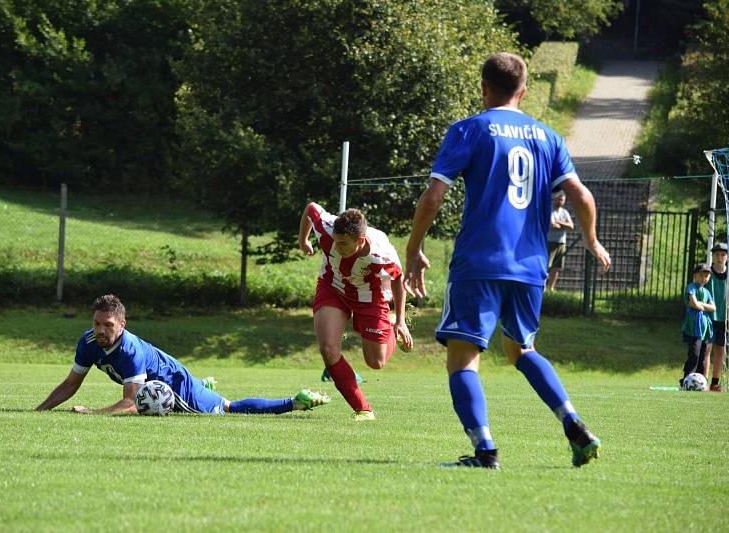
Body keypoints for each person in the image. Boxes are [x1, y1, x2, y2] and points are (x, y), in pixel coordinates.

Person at [404, 52, 611, 469]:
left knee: (463, 358)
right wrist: (590, 239)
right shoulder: (547, 137)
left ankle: (484, 452)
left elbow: (433, 196)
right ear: (524, 90)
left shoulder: (469, 130)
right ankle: (572, 422)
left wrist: (413, 248)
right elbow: (582, 196)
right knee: (521, 349)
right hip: (530, 266)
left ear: (483, 88)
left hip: (479, 261)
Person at [36, 294, 330, 415]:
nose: (100, 330)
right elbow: (70, 384)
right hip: (165, 377)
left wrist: (92, 414)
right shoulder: (88, 342)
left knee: (227, 409)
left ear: (122, 325)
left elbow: (130, 404)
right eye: (97, 323)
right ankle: (204, 384)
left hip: (176, 386)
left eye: (108, 325)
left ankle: (294, 402)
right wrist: (40, 411)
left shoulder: (130, 351)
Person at [298, 202, 413, 421]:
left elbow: (398, 278)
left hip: (369, 296)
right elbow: (311, 208)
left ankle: (387, 324)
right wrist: (303, 240)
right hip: (332, 287)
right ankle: (363, 409)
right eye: (336, 242)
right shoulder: (328, 227)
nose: (337, 247)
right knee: (328, 348)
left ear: (360, 241)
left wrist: (399, 320)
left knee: (375, 362)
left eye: (343, 244)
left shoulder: (380, 253)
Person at [680, 264, 716, 388]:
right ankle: (686, 380)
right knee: (694, 353)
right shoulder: (691, 287)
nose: (703, 278)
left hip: (705, 328)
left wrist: (701, 305)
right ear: (695, 275)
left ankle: (700, 383)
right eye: (701, 275)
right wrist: (700, 305)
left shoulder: (706, 292)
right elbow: (694, 304)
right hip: (694, 326)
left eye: (706, 275)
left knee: (702, 355)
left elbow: (713, 308)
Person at [706, 243, 727, 392]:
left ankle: (714, 383)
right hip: (709, 317)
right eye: (717, 255)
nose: (719, 258)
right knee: (706, 349)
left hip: (724, 319)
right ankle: (703, 380)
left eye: (723, 255)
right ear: (712, 256)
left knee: (720, 351)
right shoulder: (707, 274)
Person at [546, 190, 574, 291]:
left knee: (557, 267)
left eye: (562, 200)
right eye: (559, 199)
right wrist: (564, 225)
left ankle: (551, 288)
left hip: (562, 242)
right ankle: (543, 287)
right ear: (555, 199)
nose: (560, 201)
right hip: (550, 241)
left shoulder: (565, 212)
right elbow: (553, 226)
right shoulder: (550, 210)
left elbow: (571, 226)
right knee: (547, 266)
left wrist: (559, 222)